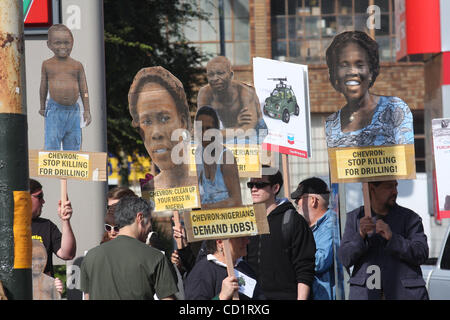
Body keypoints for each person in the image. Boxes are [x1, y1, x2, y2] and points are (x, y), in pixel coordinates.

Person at [339, 180, 429, 300]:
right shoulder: (355, 218)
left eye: (396, 186)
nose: (395, 191)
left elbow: (421, 253)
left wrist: (393, 238)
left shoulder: (409, 218)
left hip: (405, 295)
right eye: (389, 187)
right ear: (371, 188)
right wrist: (361, 235)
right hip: (366, 294)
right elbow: (345, 258)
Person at [324, 31, 414, 148]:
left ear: (371, 72)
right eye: (344, 65)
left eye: (359, 65)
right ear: (335, 73)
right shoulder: (331, 124)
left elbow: (406, 161)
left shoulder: (394, 108)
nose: (352, 72)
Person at [80, 196, 178, 300]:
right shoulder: (155, 257)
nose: (150, 227)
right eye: (149, 220)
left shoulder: (91, 257)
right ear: (140, 217)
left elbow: (87, 297)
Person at [245, 166, 316, 300]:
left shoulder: (293, 221)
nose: (253, 189)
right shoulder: (247, 220)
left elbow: (305, 268)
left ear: (275, 188)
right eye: (251, 184)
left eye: (260, 184)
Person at [128, 66, 196, 190]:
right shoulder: (150, 190)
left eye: (164, 118)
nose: (156, 133)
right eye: (147, 121)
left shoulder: (208, 184)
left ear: (183, 121)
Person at [39, 24, 91, 151]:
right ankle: (51, 171)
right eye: (58, 43)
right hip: (55, 110)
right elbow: (43, 86)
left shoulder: (77, 65)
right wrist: (42, 106)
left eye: (67, 43)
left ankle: (72, 170)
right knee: (52, 145)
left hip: (74, 111)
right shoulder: (47, 64)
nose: (63, 47)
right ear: (49, 44)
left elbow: (84, 89)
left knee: (73, 146)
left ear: (72, 43)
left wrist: (87, 110)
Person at [197, 56, 267, 142]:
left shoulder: (245, 92)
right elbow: (202, 128)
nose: (215, 78)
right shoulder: (205, 93)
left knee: (240, 143)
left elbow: (248, 130)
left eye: (220, 73)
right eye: (211, 75)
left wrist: (214, 134)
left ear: (231, 75)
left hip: (256, 131)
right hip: (230, 131)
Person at [291, 177, 339, 300]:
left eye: (299, 199)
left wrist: (291, 253)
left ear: (313, 201)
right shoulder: (308, 228)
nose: (296, 204)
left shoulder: (331, 225)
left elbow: (320, 262)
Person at [30, 178, 76, 296]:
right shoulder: (6, 226)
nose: (43, 201)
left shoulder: (46, 226)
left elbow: (67, 254)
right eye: (39, 196)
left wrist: (65, 221)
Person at [194, 105, 242, 209]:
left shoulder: (226, 157)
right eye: (200, 129)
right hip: (205, 222)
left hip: (228, 221)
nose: (203, 133)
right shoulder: (198, 155)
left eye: (208, 128)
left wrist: (206, 207)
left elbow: (236, 201)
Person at [184, 237, 263, 300]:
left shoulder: (244, 267)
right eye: (240, 238)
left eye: (246, 237)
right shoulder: (202, 272)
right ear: (220, 242)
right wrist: (222, 296)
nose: (247, 241)